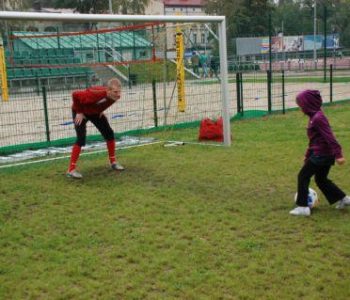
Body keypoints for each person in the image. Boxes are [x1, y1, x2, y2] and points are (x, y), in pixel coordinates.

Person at [290, 89, 350, 216]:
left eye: (301, 105)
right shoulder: (314, 117)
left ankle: (303, 207)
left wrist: (339, 155)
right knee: (321, 179)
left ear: (308, 104)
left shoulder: (318, 118)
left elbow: (330, 137)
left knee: (303, 176)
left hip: (321, 155)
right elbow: (314, 140)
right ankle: (344, 199)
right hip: (321, 154)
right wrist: (307, 155)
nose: (300, 108)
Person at [66, 78, 124, 179]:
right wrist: (79, 112)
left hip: (95, 113)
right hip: (81, 112)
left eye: (119, 91)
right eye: (115, 92)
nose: (118, 94)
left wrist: (101, 109)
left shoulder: (114, 97)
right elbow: (75, 94)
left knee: (109, 133)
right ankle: (71, 170)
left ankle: (113, 162)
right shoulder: (95, 93)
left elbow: (104, 103)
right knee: (81, 139)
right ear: (108, 90)